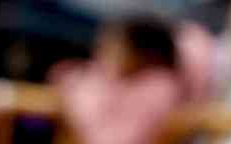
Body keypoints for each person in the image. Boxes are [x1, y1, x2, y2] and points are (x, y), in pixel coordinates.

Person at [50, 16, 187, 144]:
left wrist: (74, 101)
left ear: (146, 54)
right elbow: (63, 73)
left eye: (113, 46)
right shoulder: (118, 76)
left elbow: (108, 140)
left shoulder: (157, 89)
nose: (102, 51)